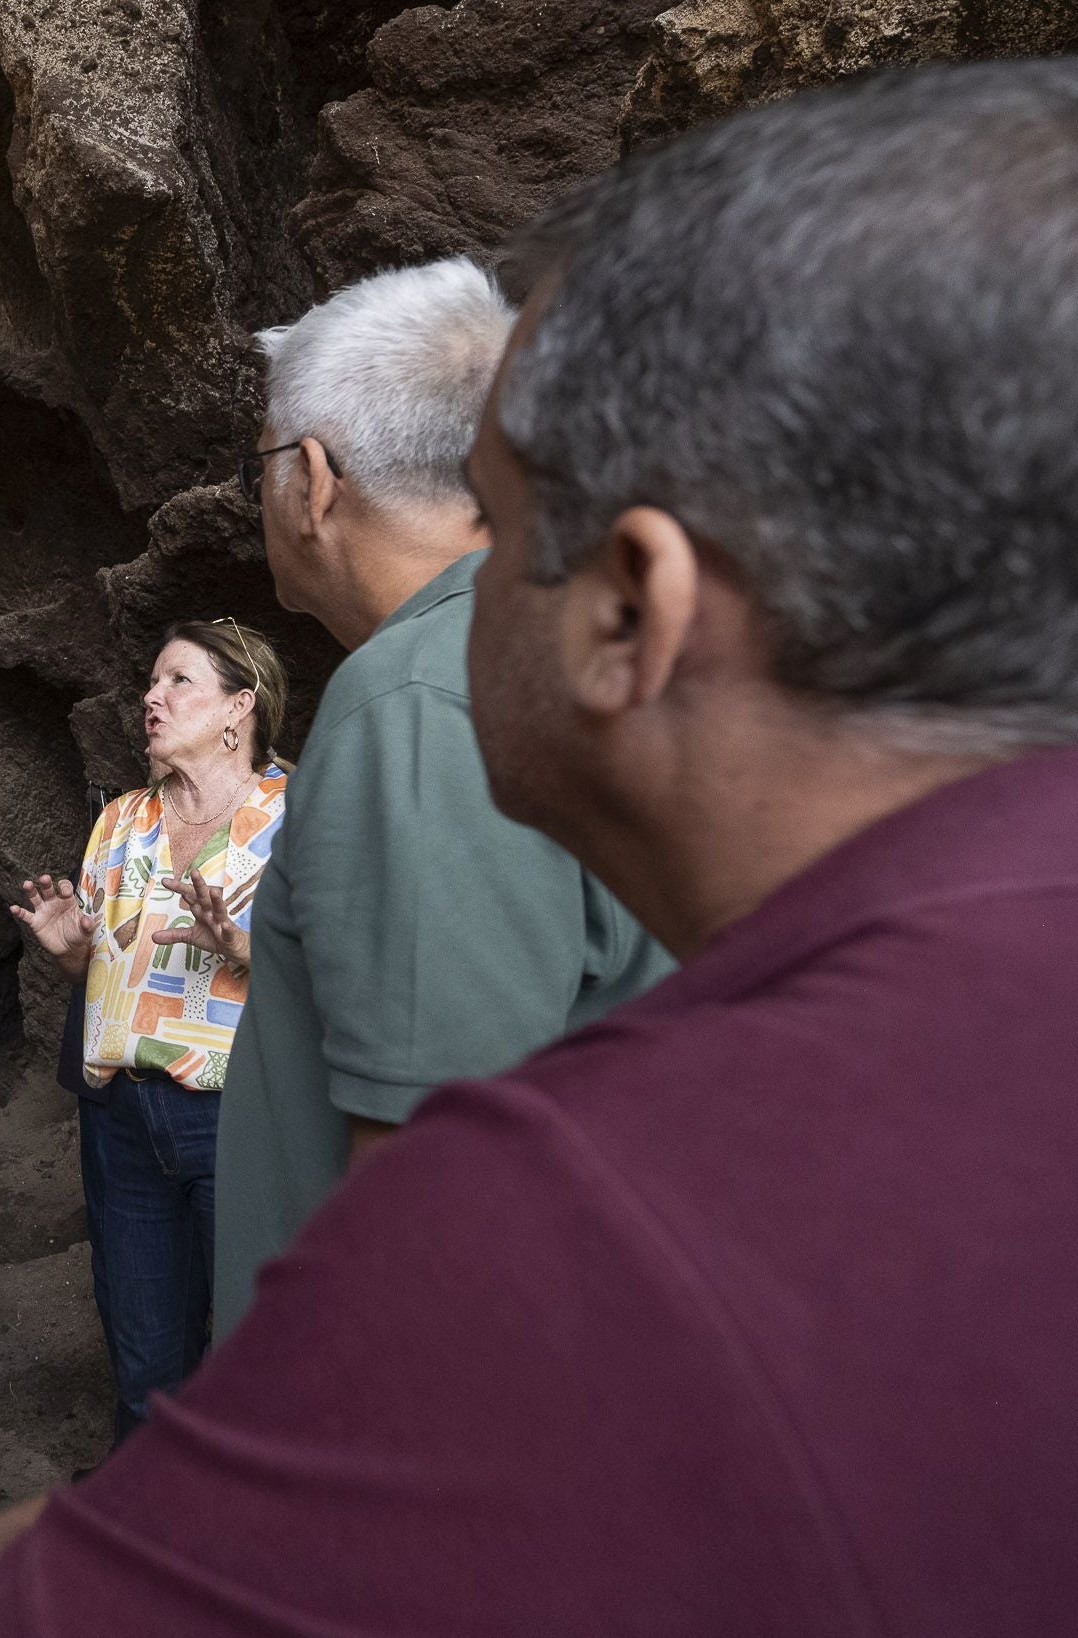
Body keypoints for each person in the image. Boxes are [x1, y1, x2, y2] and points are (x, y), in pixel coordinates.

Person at [0, 57, 1078, 1638]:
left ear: (630, 604)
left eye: (504, 515)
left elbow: (11, 1630)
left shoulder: (604, 1214)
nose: (471, 584)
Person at [210, 258, 667, 1333]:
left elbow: (429, 1183)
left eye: (258, 466)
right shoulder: (585, 644)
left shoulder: (419, 697)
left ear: (313, 480)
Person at [11, 621, 290, 1442]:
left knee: (250, 1356)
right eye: (152, 681)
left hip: (240, 1121)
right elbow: (103, 975)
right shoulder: (122, 821)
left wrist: (247, 948)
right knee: (143, 1368)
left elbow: (351, 971)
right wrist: (70, 954)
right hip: (122, 1121)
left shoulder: (297, 816)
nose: (150, 696)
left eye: (177, 681)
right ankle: (147, 1546)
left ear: (240, 705)